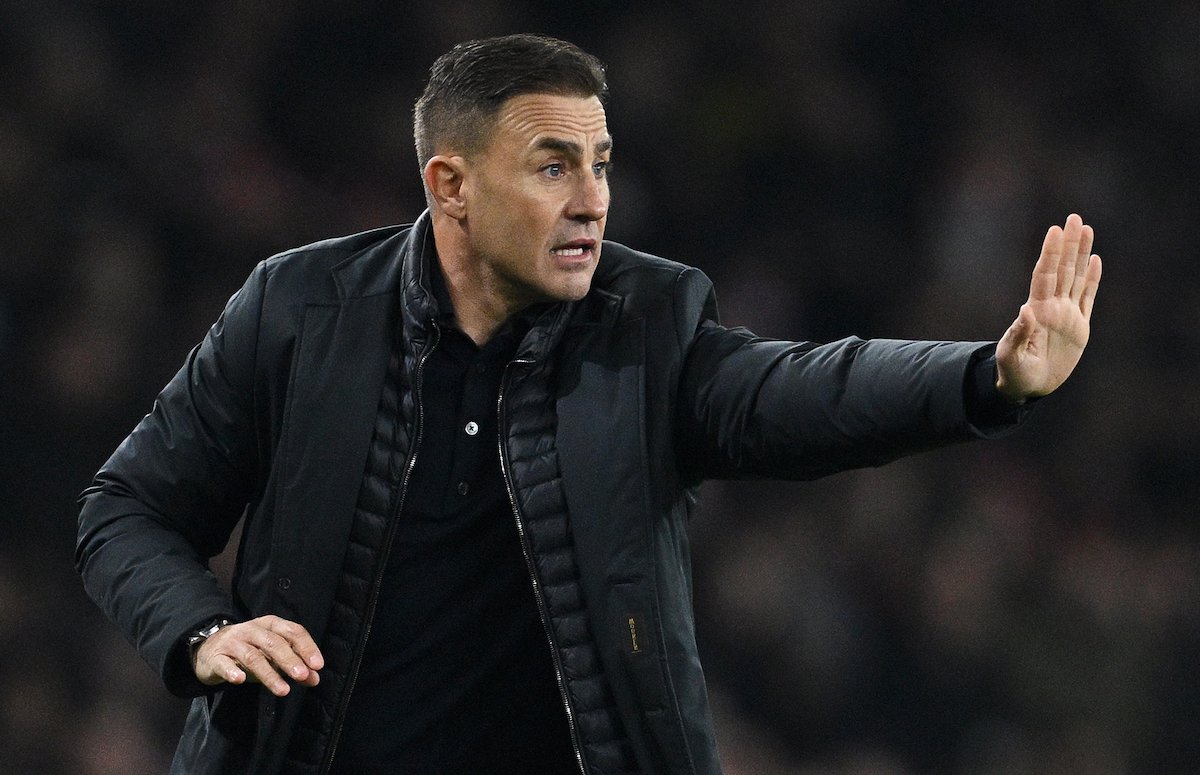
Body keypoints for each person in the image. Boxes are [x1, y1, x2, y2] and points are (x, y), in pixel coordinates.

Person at [76, 33, 1102, 775]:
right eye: (553, 166)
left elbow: (798, 390)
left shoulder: (647, 322)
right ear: (451, 185)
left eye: (601, 164)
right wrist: (202, 633)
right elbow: (125, 509)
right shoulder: (301, 310)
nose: (594, 198)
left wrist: (987, 376)